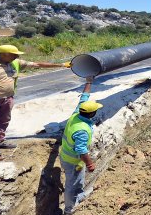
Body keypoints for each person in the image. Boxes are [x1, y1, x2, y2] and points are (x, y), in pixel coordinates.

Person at [0, 44, 71, 157]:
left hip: (7, 97)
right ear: (4, 54)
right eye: (14, 54)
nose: (16, 56)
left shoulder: (15, 62)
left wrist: (61, 64)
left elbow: (37, 64)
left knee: (4, 120)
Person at [60, 76, 102, 214]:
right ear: (92, 113)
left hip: (66, 156)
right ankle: (70, 209)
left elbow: (84, 97)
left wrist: (88, 82)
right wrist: (90, 164)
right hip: (73, 161)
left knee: (76, 183)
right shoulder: (82, 130)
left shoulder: (77, 113)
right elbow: (81, 150)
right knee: (72, 185)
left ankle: (78, 199)